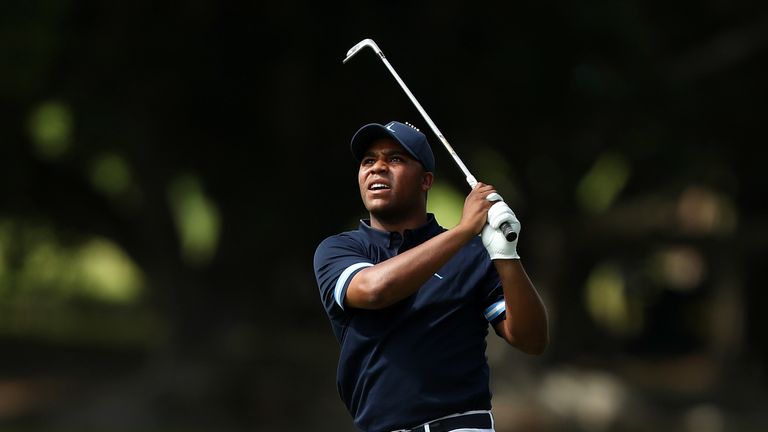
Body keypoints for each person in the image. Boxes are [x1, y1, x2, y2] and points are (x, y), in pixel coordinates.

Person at [313, 120, 548, 432]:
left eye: (395, 159)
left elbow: (531, 339)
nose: (377, 168)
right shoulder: (339, 249)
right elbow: (374, 290)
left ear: (425, 180)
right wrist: (465, 230)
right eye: (369, 160)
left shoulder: (472, 256)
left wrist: (506, 255)